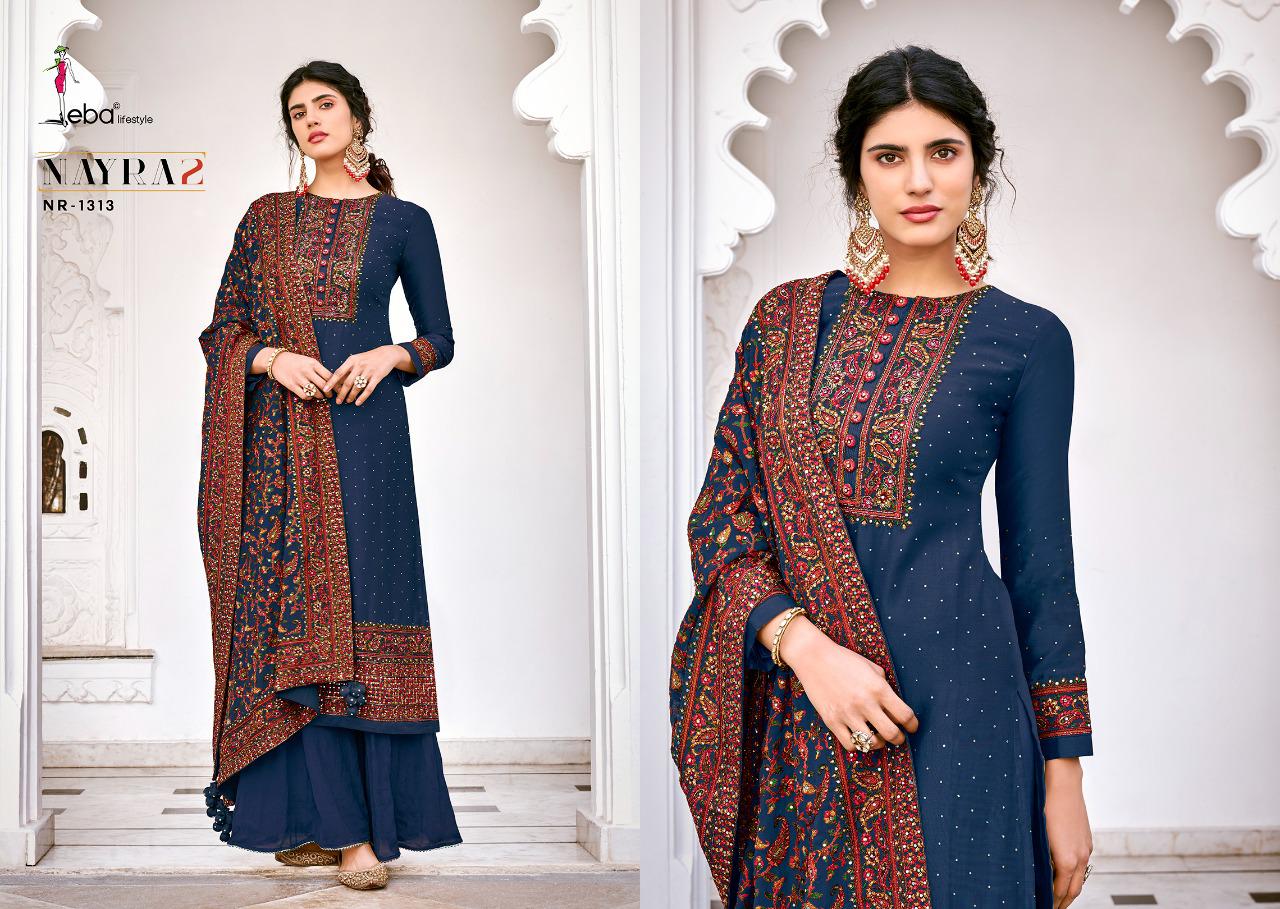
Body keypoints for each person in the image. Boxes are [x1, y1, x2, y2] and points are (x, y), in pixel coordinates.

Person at [670, 45, 1095, 909]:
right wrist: (807, 649)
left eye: (943, 151)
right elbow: (721, 521)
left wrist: (1066, 777)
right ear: (856, 173)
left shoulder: (1027, 340)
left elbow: (1043, 570)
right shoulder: (785, 322)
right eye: (890, 156)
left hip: (966, 710)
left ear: (978, 165)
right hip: (807, 704)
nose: (919, 180)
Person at [196, 60, 460, 891]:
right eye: (297, 111)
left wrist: (391, 356)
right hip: (282, 445)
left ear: (357, 117)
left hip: (368, 439)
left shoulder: (404, 221)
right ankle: (324, 824)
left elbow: (441, 337)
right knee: (299, 624)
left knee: (368, 620)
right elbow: (222, 331)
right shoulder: (265, 219)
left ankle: (364, 832)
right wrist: (271, 359)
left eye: (325, 104)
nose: (311, 119)